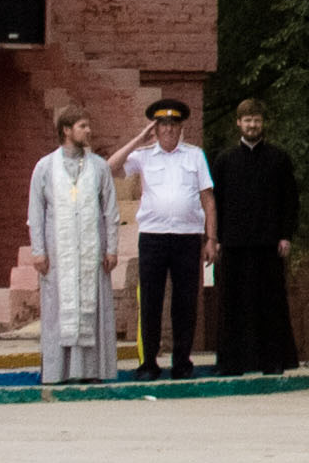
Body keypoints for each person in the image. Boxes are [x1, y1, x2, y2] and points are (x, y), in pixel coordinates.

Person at [116, 95, 213, 379]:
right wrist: (138, 139)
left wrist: (211, 238)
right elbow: (110, 167)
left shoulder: (194, 155)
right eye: (163, 125)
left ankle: (182, 361)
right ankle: (149, 363)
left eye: (174, 124)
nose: (169, 129)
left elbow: (208, 199)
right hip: (153, 237)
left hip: (187, 236)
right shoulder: (144, 156)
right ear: (155, 129)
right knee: (150, 300)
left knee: (185, 302)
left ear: (181, 128)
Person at [28, 107, 120, 390]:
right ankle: (58, 371)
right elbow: (36, 211)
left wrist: (112, 248)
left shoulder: (99, 167)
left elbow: (110, 211)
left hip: (91, 253)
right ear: (67, 131)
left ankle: (93, 369)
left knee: (92, 309)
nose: (88, 131)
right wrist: (38, 250)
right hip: (59, 253)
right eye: (83, 126)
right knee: (59, 309)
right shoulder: (45, 167)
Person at [211, 97, 302, 375]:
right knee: (234, 303)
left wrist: (285, 235)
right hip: (234, 244)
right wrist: (215, 239)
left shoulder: (278, 158)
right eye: (247, 120)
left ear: (263, 123)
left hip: (269, 244)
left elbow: (290, 200)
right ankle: (233, 363)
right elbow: (216, 202)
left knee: (270, 303)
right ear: (238, 123)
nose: (252, 125)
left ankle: (273, 361)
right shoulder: (225, 160)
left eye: (257, 120)